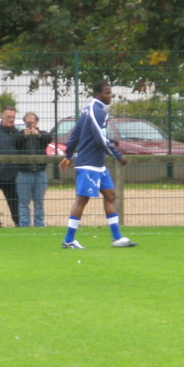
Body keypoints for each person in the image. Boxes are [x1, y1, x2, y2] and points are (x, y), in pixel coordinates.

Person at [58, 80, 137, 249]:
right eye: (107, 93)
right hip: (89, 164)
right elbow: (100, 138)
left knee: (110, 195)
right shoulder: (95, 111)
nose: (110, 96)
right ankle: (69, 239)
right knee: (82, 200)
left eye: (111, 93)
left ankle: (117, 238)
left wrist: (68, 155)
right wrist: (117, 155)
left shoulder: (90, 110)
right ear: (98, 94)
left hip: (98, 165)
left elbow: (75, 133)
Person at [13, 112, 52, 227]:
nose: (30, 123)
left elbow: (49, 139)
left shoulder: (42, 134)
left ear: (37, 122)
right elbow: (15, 143)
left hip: (40, 172)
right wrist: (24, 136)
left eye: (33, 121)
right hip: (24, 173)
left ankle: (39, 225)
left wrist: (37, 135)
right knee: (24, 202)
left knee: (39, 202)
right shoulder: (19, 134)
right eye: (28, 121)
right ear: (24, 122)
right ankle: (24, 225)